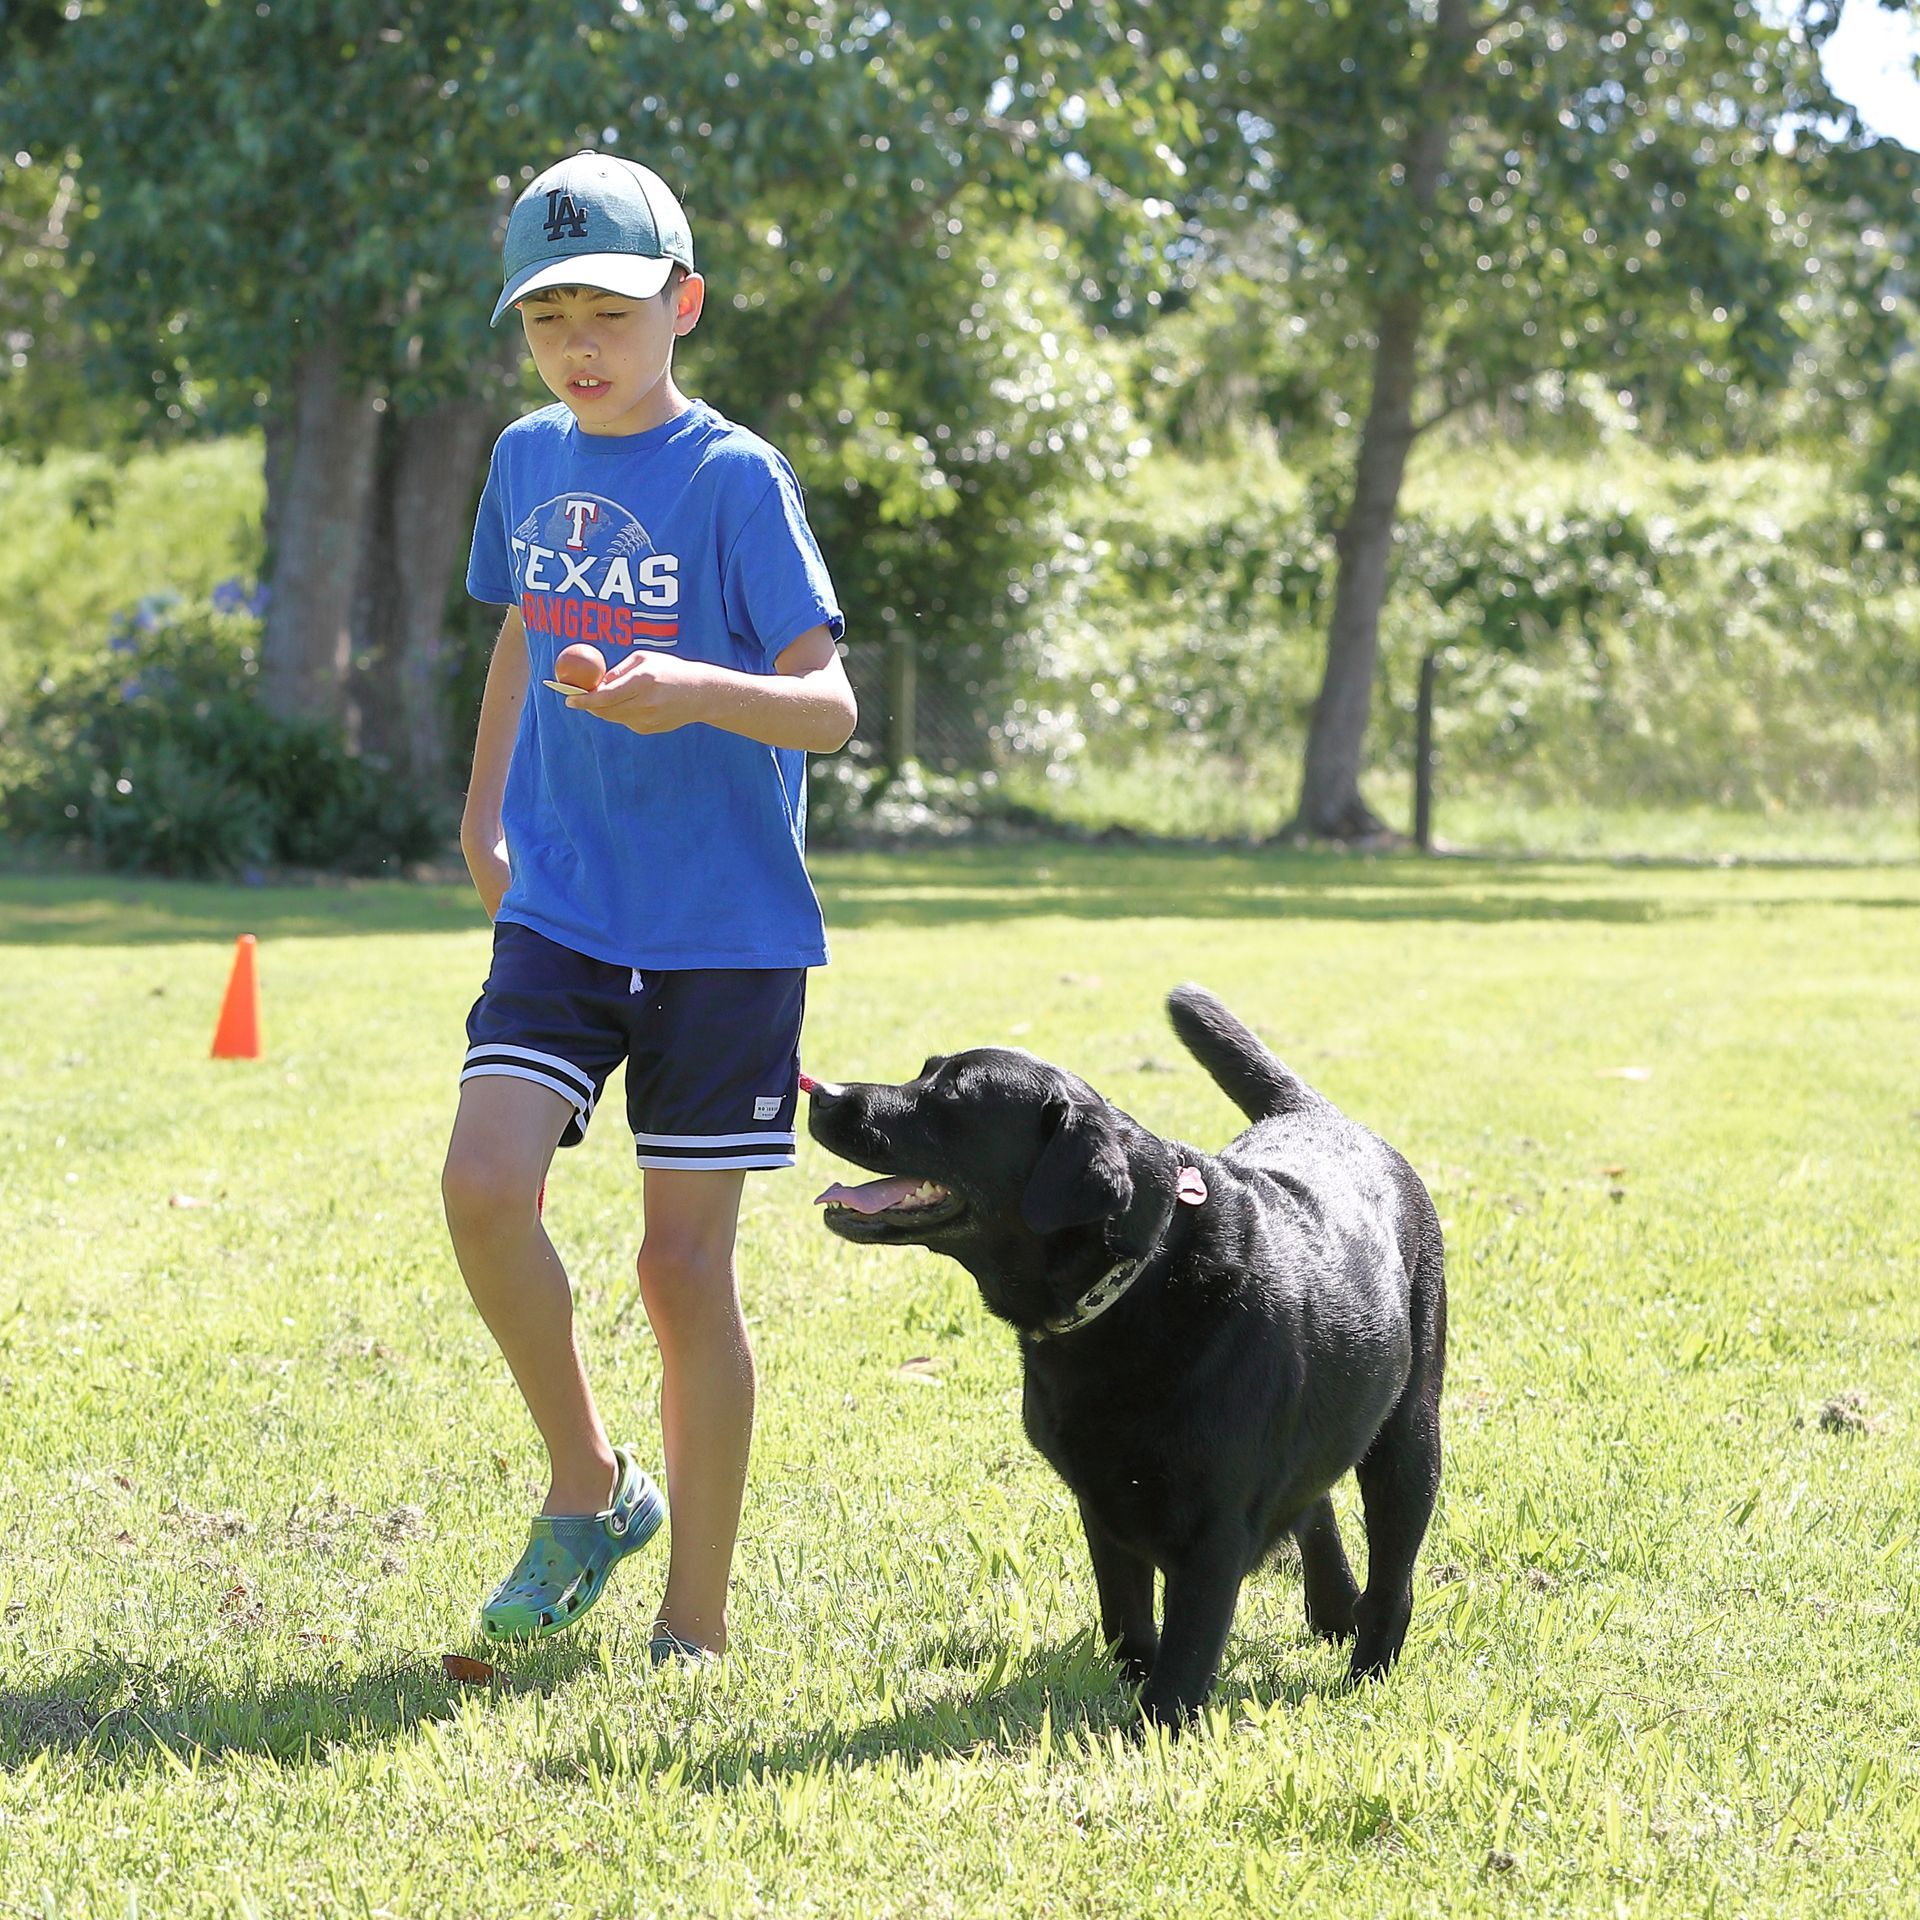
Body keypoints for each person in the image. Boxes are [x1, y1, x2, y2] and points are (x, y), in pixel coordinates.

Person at [442, 149, 857, 1664]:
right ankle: (588, 1481)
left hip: (724, 931)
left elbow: (830, 708)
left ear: (682, 304)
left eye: (608, 309)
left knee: (680, 1271)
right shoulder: (524, 460)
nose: (579, 344)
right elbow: (517, 636)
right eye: (548, 315)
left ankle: (697, 1623)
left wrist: (695, 691)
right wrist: (485, 818)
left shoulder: (734, 478)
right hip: (562, 904)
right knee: (486, 1186)